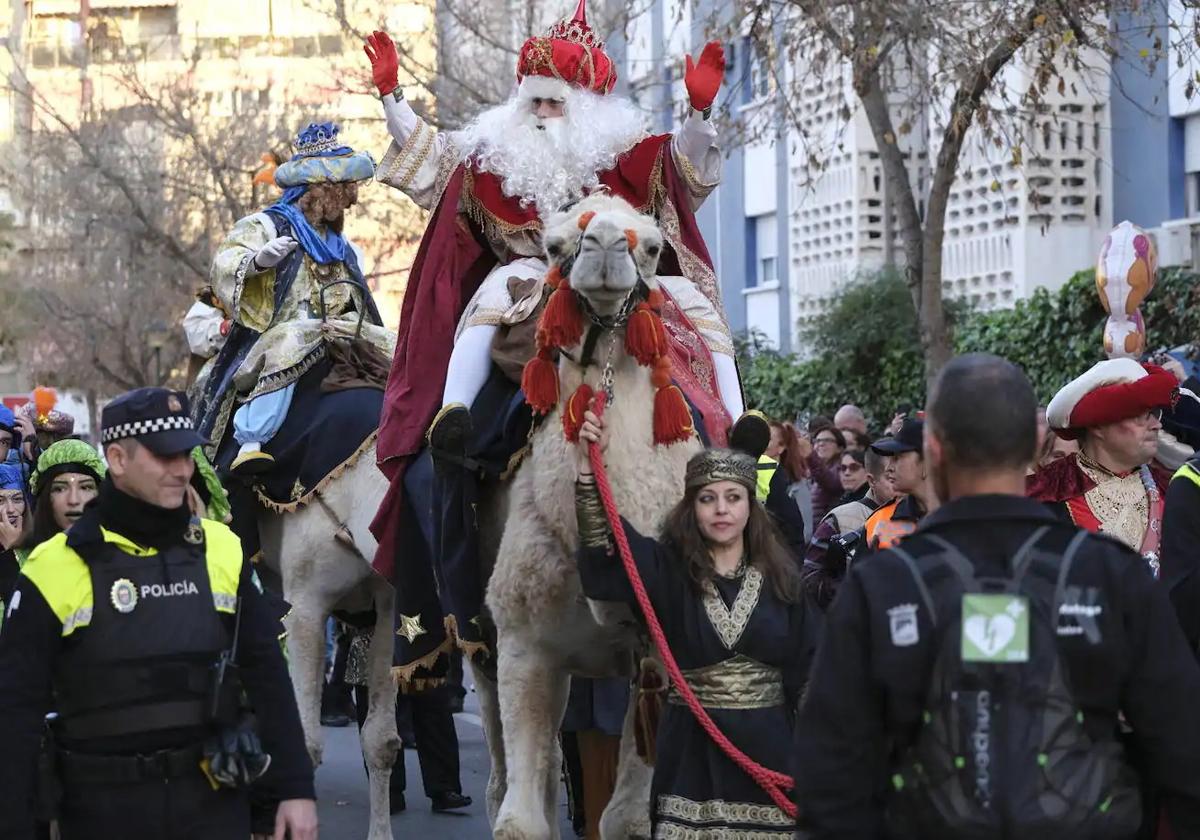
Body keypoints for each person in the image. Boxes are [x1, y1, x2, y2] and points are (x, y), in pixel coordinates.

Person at [794, 353, 1200, 838]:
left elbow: (830, 779)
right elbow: (1183, 748)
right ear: (1033, 442)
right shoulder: (1111, 574)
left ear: (934, 452)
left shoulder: (881, 586)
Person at [0, 387, 317, 839]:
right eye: (164, 457)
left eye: (186, 455)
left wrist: (294, 789)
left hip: (212, 805)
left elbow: (266, 678)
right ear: (117, 459)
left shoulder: (221, 549)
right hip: (102, 812)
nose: (182, 469)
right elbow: (16, 715)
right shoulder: (54, 565)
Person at [575, 408, 816, 837]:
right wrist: (588, 473)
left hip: (769, 756)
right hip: (689, 755)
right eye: (708, 499)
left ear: (750, 505)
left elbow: (814, 667)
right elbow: (606, 549)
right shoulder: (666, 570)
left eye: (733, 497)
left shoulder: (784, 581)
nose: (721, 509)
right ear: (692, 507)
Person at [192, 120, 391, 476]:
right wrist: (258, 262)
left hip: (337, 332)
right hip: (282, 330)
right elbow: (226, 263)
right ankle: (252, 440)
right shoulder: (265, 226)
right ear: (314, 190)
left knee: (393, 344)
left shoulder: (341, 246)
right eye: (338, 189)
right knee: (290, 341)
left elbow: (354, 297)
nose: (347, 199)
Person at [1027, 358, 1177, 574]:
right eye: (1141, 416)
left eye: (1154, 414)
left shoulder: (1172, 488)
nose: (1156, 424)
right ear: (1098, 425)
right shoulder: (1044, 494)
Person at [801, 446, 895, 609]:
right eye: (891, 477)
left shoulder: (921, 514)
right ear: (872, 480)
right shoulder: (840, 518)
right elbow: (809, 578)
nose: (899, 483)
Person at [863, 417, 933, 550]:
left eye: (897, 458)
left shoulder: (964, 516)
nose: (889, 467)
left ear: (927, 462)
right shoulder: (879, 521)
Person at [24, 439, 105, 548]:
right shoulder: (18, 562)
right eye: (59, 489)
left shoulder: (124, 557)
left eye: (85, 487)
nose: (73, 500)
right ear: (44, 497)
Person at [806, 424, 846, 525]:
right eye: (817, 441)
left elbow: (831, 482)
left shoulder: (842, 468)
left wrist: (811, 456)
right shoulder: (811, 470)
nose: (821, 444)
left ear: (839, 448)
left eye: (827, 440)